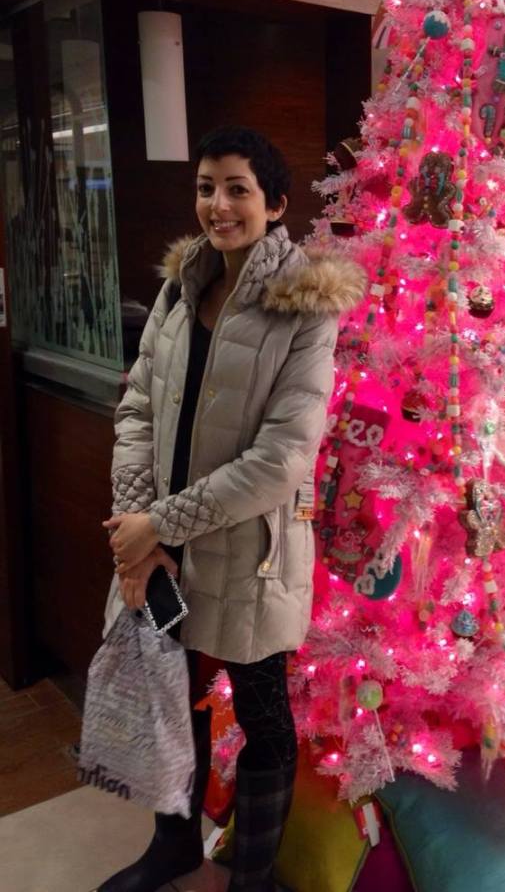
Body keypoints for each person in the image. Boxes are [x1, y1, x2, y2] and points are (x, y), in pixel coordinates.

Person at [98, 126, 366, 892]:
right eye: (207, 187)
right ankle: (174, 842)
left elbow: (283, 459)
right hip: (162, 541)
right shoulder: (182, 287)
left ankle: (253, 874)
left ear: (276, 203)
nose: (218, 204)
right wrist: (134, 528)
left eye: (238, 188)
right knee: (166, 694)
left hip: (253, 549)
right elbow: (138, 407)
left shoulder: (305, 309)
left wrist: (161, 524)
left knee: (262, 712)